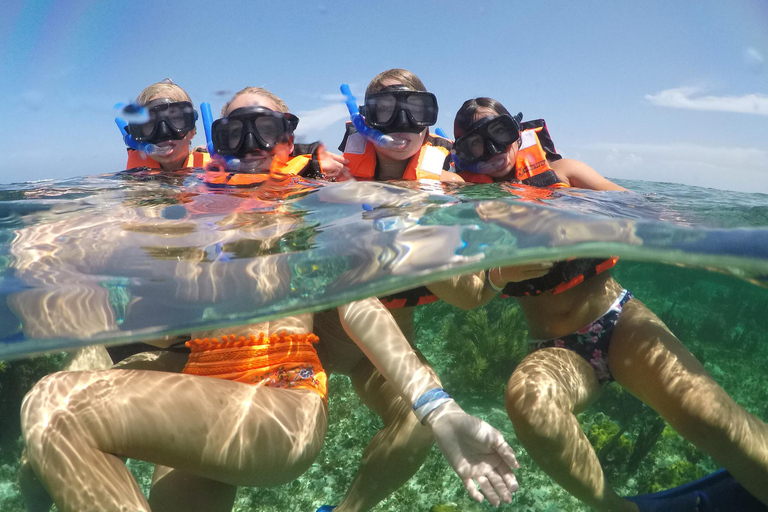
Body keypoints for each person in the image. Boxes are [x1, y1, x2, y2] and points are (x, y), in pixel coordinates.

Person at [18, 87, 520, 512]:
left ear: (287, 139)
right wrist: (41, 243)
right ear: (216, 142)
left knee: (56, 404)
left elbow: (359, 305)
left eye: (264, 129)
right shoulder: (197, 207)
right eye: (235, 132)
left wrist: (438, 408)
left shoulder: (309, 205)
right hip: (207, 386)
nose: (250, 144)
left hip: (280, 398)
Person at [453, 97, 768, 511]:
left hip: (619, 321)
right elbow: (464, 291)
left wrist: (731, 258)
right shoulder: (465, 203)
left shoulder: (566, 173)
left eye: (500, 134)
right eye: (475, 146)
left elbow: (648, 213)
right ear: (461, 154)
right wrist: (501, 273)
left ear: (517, 129)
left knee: (713, 418)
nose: (493, 152)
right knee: (529, 404)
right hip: (555, 351)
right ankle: (613, 507)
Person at [312, 69, 500, 512]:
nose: (399, 123)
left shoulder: (447, 188)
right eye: (384, 110)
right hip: (317, 339)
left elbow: (468, 295)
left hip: (380, 354)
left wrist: (416, 223)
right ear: (363, 120)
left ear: (428, 120)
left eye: (413, 110)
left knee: (420, 422)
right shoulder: (333, 180)